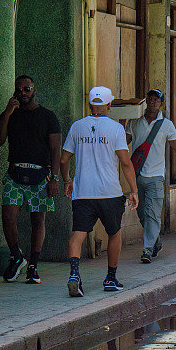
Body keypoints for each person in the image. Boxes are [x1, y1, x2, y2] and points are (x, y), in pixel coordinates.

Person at [60, 87, 138, 297]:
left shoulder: (77, 127)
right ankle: (111, 279)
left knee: (77, 234)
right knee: (114, 233)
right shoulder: (116, 129)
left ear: (89, 105)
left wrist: (67, 180)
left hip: (83, 192)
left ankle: (75, 275)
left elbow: (63, 159)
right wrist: (133, 190)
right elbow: (125, 163)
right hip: (109, 193)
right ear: (109, 105)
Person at [0, 75, 61, 284]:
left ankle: (33, 266)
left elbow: (56, 149)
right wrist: (6, 114)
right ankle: (17, 256)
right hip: (14, 174)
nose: (23, 93)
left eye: (26, 89)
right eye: (19, 90)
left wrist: (54, 178)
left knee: (38, 221)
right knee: (8, 216)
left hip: (41, 175)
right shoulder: (10, 115)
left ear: (34, 90)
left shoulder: (48, 116)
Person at [125, 89, 176, 264]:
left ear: (161, 103)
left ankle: (147, 250)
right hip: (137, 175)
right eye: (150, 98)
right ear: (146, 101)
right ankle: (156, 242)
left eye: (156, 99)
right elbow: (122, 145)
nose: (153, 101)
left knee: (153, 215)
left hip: (156, 177)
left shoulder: (166, 125)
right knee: (142, 214)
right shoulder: (134, 122)